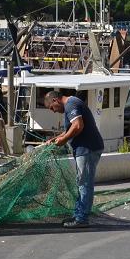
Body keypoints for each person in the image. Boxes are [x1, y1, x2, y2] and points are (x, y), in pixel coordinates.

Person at [43, 90, 104, 228]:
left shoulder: (71, 104)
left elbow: (78, 125)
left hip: (87, 148)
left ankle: (82, 219)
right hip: (85, 148)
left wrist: (63, 140)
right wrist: (54, 140)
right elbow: (70, 129)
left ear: (55, 100)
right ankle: (78, 214)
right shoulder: (72, 104)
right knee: (81, 182)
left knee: (84, 183)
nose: (53, 111)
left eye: (51, 108)